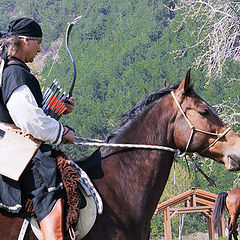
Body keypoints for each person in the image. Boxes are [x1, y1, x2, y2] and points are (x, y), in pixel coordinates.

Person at [0, 17, 76, 239]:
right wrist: (61, 133)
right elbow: (29, 121)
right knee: (48, 189)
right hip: (19, 152)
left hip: (13, 146)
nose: (41, 49)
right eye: (38, 42)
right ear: (24, 41)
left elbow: (30, 113)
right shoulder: (15, 73)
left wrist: (59, 110)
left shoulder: (12, 69)